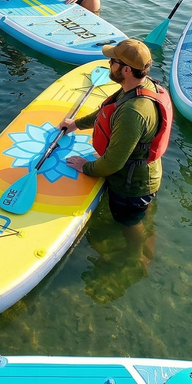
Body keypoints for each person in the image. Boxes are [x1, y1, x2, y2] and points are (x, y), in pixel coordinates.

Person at [61, 39, 173, 241]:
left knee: (129, 223)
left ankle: (138, 256)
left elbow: (113, 162)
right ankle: (147, 232)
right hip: (146, 175)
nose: (109, 64)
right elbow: (107, 112)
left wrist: (86, 166)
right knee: (140, 214)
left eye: (113, 61)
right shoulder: (139, 87)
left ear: (127, 70)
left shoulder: (133, 112)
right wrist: (75, 124)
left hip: (132, 186)